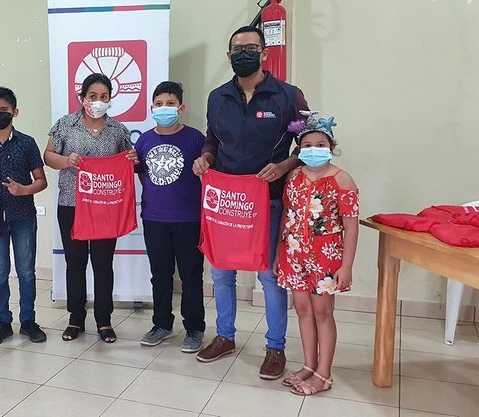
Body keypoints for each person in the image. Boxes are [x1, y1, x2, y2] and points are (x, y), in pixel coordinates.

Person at [192, 26, 309, 380]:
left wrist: (285, 165)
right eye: (237, 49)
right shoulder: (217, 97)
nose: (244, 53)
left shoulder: (288, 95)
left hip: (267, 199)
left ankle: (275, 347)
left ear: (264, 53)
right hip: (226, 199)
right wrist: (205, 158)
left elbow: (311, 142)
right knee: (221, 272)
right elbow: (212, 140)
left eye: (251, 48)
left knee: (268, 275)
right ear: (229, 56)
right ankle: (225, 336)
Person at [44, 73, 139, 343]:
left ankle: (104, 320)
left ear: (110, 99)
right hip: (71, 205)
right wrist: (66, 161)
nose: (98, 101)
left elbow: (128, 160)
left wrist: (132, 158)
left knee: (103, 264)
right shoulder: (65, 124)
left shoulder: (118, 130)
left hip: (104, 207)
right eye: (93, 96)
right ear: (82, 97)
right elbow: (48, 156)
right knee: (75, 263)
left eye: (104, 97)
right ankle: (75, 318)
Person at [276, 113, 359, 396]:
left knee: (323, 312)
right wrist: (279, 254)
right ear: (299, 149)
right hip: (293, 254)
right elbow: (286, 215)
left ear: (331, 146)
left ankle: (324, 373)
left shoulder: (342, 180)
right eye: (307, 145)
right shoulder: (293, 177)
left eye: (320, 145)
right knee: (302, 310)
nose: (314, 150)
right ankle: (309, 365)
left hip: (326, 257)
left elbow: (351, 227)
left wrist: (346, 266)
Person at [134, 81, 207, 352]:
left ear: (181, 108)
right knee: (160, 275)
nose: (164, 108)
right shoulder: (144, 140)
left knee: (191, 276)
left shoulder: (195, 138)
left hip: (189, 218)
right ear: (152, 107)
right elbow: (143, 175)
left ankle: (195, 328)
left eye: (170, 103)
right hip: (154, 218)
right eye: (159, 104)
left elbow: (207, 171)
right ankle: (162, 325)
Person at [0, 87, 49, 346]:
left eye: (4, 110)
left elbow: (41, 180)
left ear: (15, 112)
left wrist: (23, 190)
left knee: (26, 271)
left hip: (23, 216)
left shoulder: (27, 143)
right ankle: (2, 322)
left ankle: (28, 321)